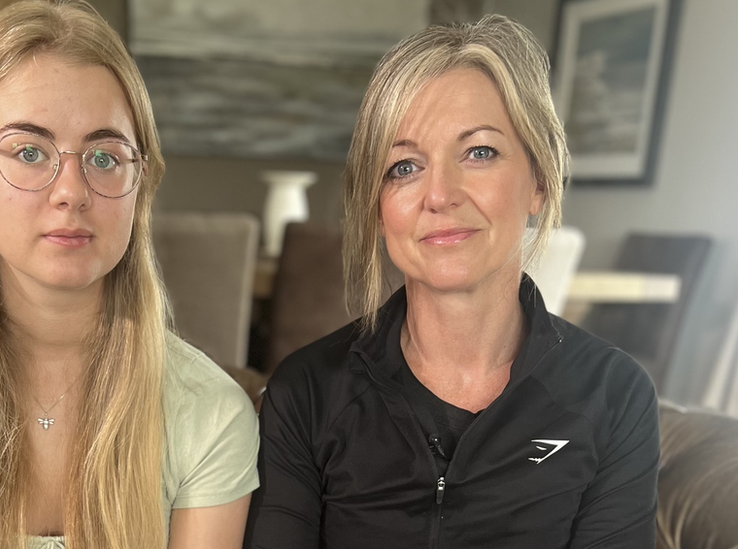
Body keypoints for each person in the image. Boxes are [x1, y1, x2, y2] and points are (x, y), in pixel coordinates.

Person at [0, 2, 258, 548]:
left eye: (105, 157)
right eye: (29, 151)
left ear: (140, 183)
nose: (71, 192)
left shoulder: (211, 415)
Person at [244, 14, 659, 549]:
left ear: (538, 180)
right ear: (377, 206)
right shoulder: (305, 393)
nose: (439, 194)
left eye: (479, 152)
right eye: (404, 167)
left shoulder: (614, 395)